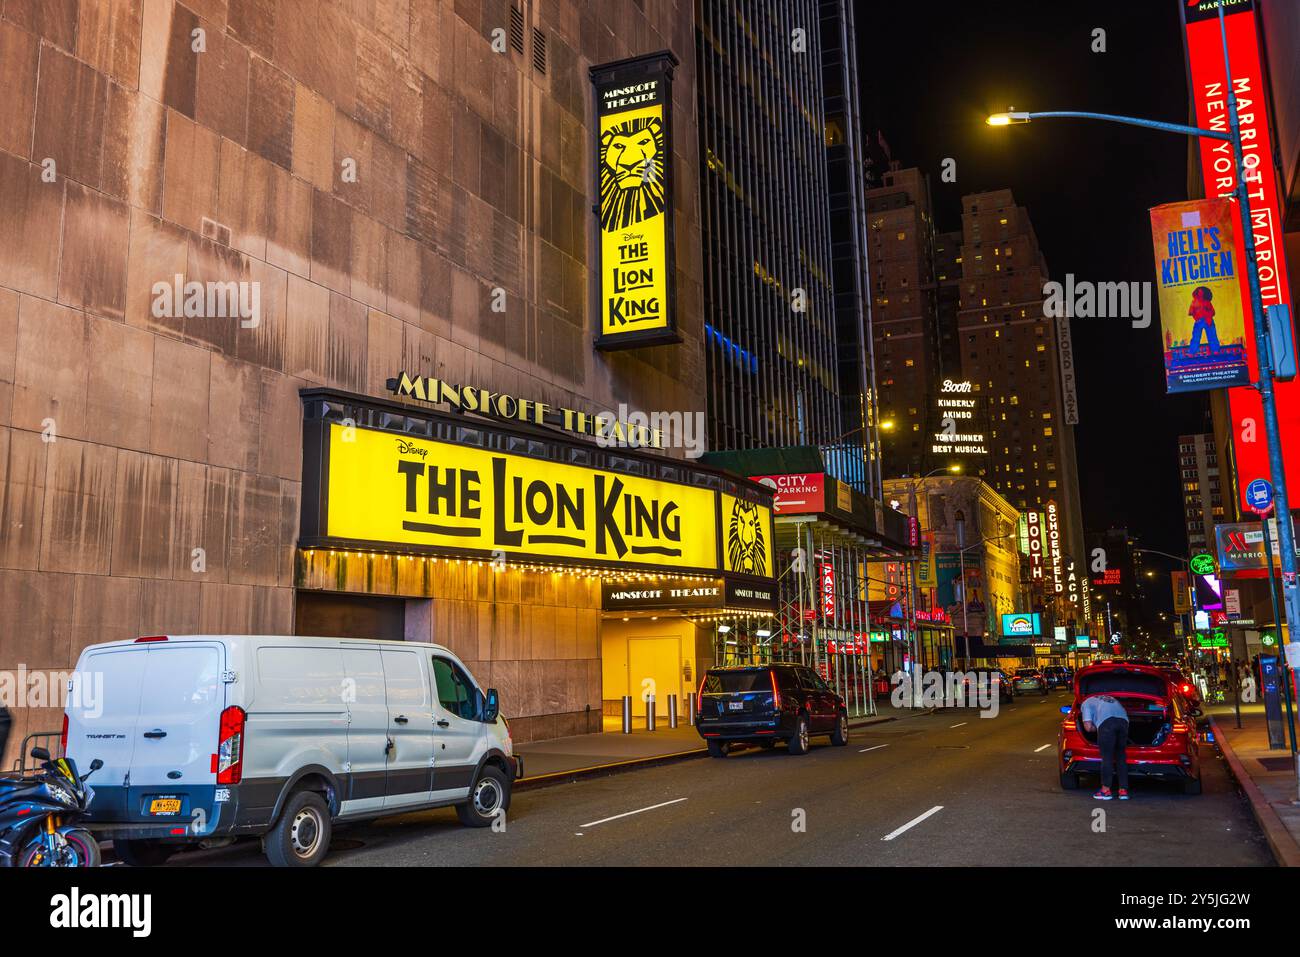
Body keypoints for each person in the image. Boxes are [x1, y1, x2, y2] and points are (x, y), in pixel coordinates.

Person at [1082, 693, 1130, 801]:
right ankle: (1123, 791)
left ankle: (1105, 791)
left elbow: (1088, 727)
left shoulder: (1085, 703)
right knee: (1121, 757)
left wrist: (1098, 728)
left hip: (1107, 723)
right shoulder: (1110, 698)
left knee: (1107, 757)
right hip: (1124, 722)